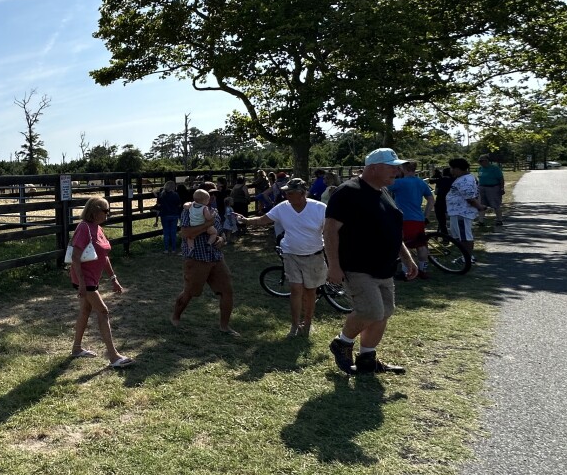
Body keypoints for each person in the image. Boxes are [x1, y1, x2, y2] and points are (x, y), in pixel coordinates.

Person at [324, 148, 418, 376]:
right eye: (391, 166)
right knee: (371, 311)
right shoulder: (348, 192)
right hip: (357, 267)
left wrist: (408, 258)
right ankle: (342, 342)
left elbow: (392, 232)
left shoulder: (384, 192)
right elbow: (330, 230)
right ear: (373, 167)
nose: (396, 171)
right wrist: (333, 265)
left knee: (385, 311)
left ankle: (367, 359)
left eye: (397, 166)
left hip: (384, 267)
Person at [242, 177, 329, 337]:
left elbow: (330, 230)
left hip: (314, 255)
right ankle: (295, 325)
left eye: (290, 192)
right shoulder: (282, 208)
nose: (286, 195)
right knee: (296, 289)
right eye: (286, 192)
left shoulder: (320, 208)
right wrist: (246, 220)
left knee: (310, 291)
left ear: (302, 193)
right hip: (291, 254)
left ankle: (307, 323)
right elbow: (263, 220)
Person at [68, 197, 134, 368]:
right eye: (106, 211)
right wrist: (82, 283)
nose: (108, 214)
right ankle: (113, 356)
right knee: (103, 312)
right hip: (84, 278)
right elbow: (75, 257)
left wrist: (114, 278)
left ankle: (76, 349)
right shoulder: (84, 228)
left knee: (85, 310)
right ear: (95, 211)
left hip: (91, 278)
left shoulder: (97, 228)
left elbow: (104, 257)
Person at [172, 190, 238, 334]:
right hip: (196, 257)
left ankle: (224, 326)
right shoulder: (188, 212)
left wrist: (222, 239)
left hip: (216, 257)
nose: (213, 198)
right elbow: (186, 233)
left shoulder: (214, 212)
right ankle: (176, 317)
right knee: (190, 292)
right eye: (210, 196)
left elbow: (220, 232)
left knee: (227, 290)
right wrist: (207, 223)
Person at [388, 160, 434, 279]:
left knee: (404, 245)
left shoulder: (399, 183)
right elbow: (430, 199)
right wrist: (426, 216)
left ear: (404, 170)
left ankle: (406, 271)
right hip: (418, 218)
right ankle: (423, 269)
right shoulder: (421, 182)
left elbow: (382, 188)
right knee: (421, 244)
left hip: (404, 218)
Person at [446, 158, 485, 259]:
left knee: (465, 237)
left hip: (462, 213)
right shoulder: (465, 178)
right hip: (457, 212)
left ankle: (467, 258)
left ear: (458, 169)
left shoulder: (465, 180)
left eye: (452, 168)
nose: (451, 170)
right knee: (459, 236)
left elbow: (470, 198)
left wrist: (480, 207)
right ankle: (465, 256)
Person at [477, 155, 505, 226]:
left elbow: (501, 179)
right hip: (482, 188)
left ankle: (499, 220)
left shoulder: (494, 168)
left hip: (493, 188)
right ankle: (481, 221)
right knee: (482, 204)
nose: (480, 162)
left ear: (487, 161)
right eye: (479, 161)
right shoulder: (480, 168)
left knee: (495, 204)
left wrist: (502, 188)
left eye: (481, 161)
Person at [156, 181, 183, 255]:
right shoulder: (176, 195)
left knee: (166, 232)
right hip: (174, 215)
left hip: (164, 215)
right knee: (173, 232)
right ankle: (174, 249)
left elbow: (158, 204)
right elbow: (179, 205)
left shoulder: (162, 195)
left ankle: (166, 249)